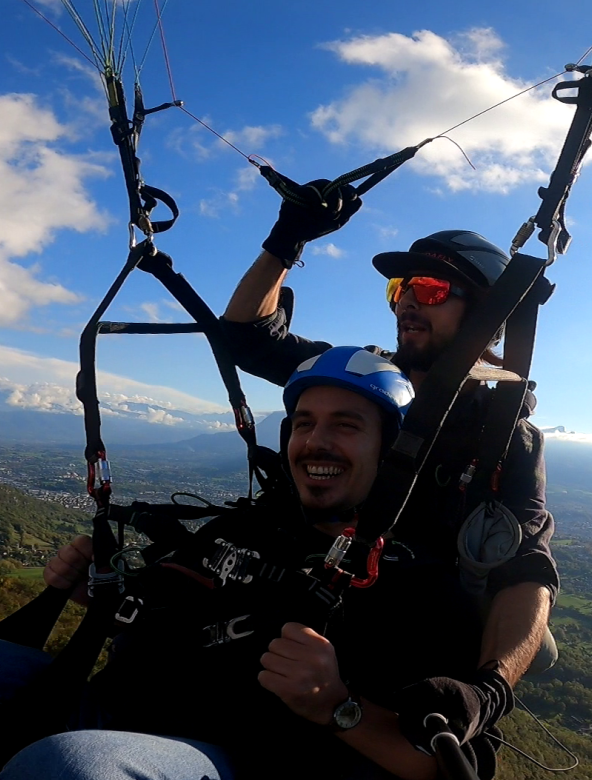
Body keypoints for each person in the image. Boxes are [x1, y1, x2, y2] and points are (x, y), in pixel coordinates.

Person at [0, 348, 510, 780]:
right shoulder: (250, 527)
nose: (316, 442)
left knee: (71, 770)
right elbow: (168, 607)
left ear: (394, 455)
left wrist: (337, 706)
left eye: (346, 426)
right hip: (114, 702)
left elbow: (452, 768)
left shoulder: (420, 586)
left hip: (231, 761)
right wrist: (96, 592)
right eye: (304, 424)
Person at [221, 202, 560, 692]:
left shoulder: (503, 435)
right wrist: (284, 241)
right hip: (311, 586)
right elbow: (246, 338)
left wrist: (489, 691)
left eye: (430, 289)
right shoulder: (355, 374)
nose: (406, 302)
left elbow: (528, 569)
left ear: (485, 314)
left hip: (412, 619)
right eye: (399, 289)